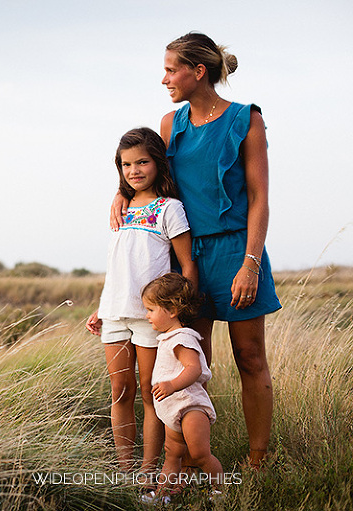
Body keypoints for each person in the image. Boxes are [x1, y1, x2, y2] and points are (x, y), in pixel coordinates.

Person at [111, 32, 281, 468]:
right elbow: (150, 174)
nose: (164, 78)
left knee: (249, 355)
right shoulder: (171, 124)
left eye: (171, 69)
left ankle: (257, 459)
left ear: (197, 71)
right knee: (186, 359)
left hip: (236, 251)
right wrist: (120, 193)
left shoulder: (247, 119)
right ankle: (183, 460)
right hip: (185, 255)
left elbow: (260, 197)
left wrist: (251, 261)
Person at [87, 127, 197, 473]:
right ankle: (125, 471)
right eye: (126, 164)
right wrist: (102, 306)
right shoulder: (120, 209)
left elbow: (187, 264)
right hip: (115, 314)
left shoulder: (170, 209)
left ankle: (148, 473)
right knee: (120, 391)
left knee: (151, 394)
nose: (134, 170)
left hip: (151, 316)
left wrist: (178, 309)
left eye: (142, 162)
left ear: (158, 164)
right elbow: (121, 266)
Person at [141, 273, 223, 501]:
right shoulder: (169, 337)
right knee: (172, 454)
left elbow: (194, 368)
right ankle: (163, 494)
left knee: (199, 454)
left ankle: (220, 491)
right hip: (174, 408)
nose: (147, 316)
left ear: (172, 311)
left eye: (151, 309)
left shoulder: (182, 338)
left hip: (190, 407)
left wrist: (171, 385)